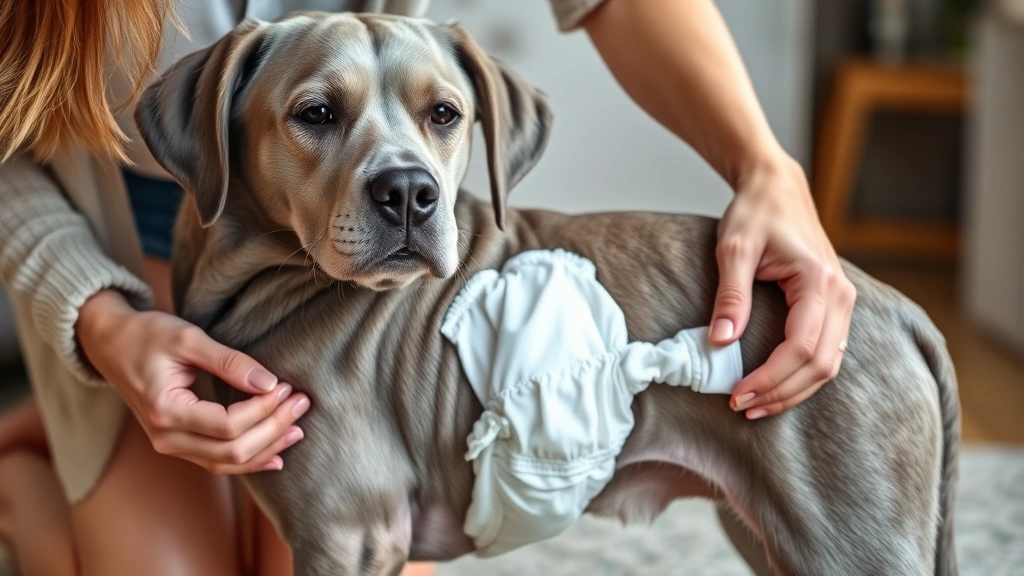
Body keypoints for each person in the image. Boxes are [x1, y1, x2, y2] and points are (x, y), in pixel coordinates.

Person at [0, 0, 856, 574]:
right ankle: (24, 452)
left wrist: (762, 163)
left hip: (329, 245)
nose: (406, 175)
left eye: (439, 116)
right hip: (147, 227)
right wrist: (103, 324)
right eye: (321, 114)